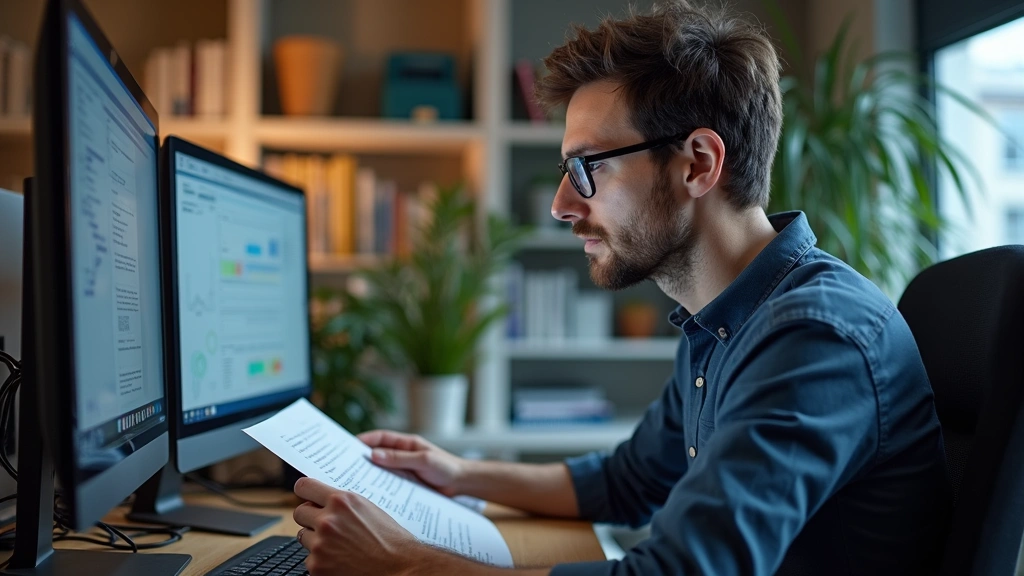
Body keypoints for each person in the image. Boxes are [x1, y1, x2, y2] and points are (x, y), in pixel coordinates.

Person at [290, 1, 951, 574]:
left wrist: (404, 565)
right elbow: (627, 483)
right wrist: (458, 474)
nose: (559, 205)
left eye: (586, 168)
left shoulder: (811, 337)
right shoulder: (722, 321)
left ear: (698, 163)